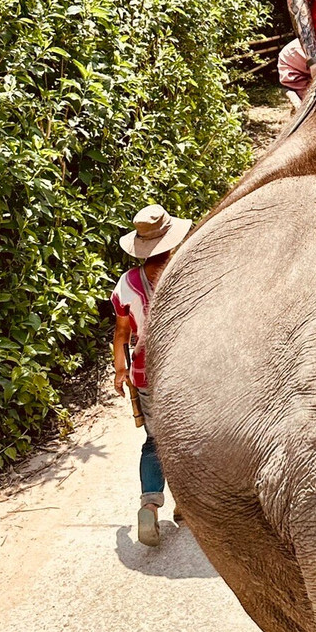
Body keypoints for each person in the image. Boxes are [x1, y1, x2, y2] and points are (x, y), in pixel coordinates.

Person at [111, 204, 192, 547]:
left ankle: (149, 503)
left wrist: (121, 370)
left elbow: (121, 333)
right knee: (187, 437)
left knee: (155, 441)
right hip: (183, 370)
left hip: (145, 375)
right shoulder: (184, 272)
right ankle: (186, 506)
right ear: (171, 241)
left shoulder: (126, 284)